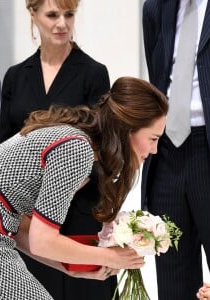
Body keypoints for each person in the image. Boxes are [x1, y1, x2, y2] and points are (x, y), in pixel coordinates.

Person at [0, 76, 167, 300]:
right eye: (153, 139)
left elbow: (22, 227)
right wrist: (111, 256)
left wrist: (68, 268)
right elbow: (42, 241)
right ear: (127, 130)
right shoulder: (76, 150)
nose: (155, 150)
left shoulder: (72, 141)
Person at [0, 0, 113, 298]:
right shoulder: (15, 76)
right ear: (33, 14)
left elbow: (99, 149)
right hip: (27, 217)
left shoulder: (94, 73)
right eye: (52, 15)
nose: (62, 23)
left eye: (69, 15)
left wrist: (55, 191)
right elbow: (7, 150)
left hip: (80, 210)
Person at [142, 0, 210, 299]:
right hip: (166, 153)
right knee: (173, 276)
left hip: (206, 147)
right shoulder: (156, 8)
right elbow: (157, 80)